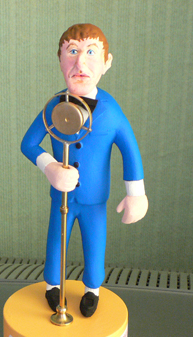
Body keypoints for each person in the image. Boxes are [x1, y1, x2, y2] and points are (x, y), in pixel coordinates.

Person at [21, 23, 148, 317]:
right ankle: (53, 285)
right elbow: (28, 144)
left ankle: (92, 289)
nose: (80, 63)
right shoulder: (53, 106)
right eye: (72, 52)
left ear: (107, 62)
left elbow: (130, 150)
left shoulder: (111, 111)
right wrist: (50, 167)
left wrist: (136, 194)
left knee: (94, 245)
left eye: (91, 52)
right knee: (56, 243)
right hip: (61, 198)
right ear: (60, 59)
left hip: (94, 199)